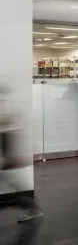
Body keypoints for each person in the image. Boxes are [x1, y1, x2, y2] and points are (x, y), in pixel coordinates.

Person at [0, 84, 44, 233]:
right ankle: (34, 208)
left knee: (15, 187)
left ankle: (34, 208)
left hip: (9, 157)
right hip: (8, 157)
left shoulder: (8, 110)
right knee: (15, 185)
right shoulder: (7, 109)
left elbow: (11, 134)